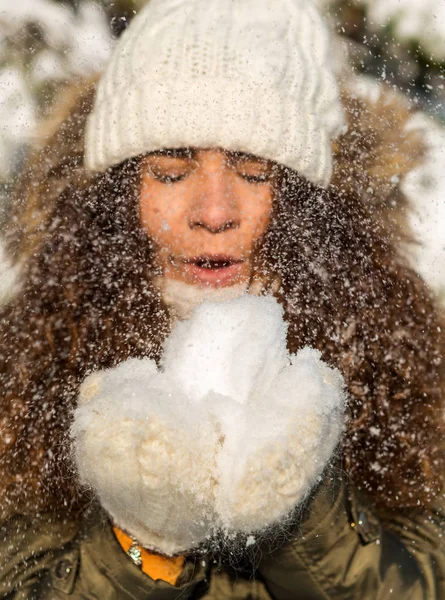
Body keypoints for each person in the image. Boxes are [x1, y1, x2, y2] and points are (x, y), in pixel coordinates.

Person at [1, 0, 445, 598]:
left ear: (303, 205)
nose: (214, 213)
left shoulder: (404, 363)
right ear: (116, 200)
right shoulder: (29, 374)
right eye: (170, 170)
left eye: (254, 171)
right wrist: (143, 542)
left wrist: (301, 506)